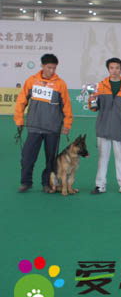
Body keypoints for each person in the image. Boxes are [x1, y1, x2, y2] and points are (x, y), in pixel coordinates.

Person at [14, 53, 72, 193]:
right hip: (34, 127)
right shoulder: (31, 81)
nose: (51, 70)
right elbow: (21, 101)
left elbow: (67, 106)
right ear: (42, 66)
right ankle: (26, 182)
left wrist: (67, 124)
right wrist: (19, 119)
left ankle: (47, 184)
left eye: (54, 68)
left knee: (51, 160)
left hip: (53, 129)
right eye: (48, 67)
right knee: (27, 157)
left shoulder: (60, 84)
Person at [89, 57, 121, 195]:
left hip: (120, 128)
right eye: (112, 68)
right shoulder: (100, 86)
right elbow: (94, 108)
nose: (114, 70)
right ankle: (100, 185)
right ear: (108, 69)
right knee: (102, 158)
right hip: (103, 127)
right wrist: (91, 101)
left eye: (117, 68)